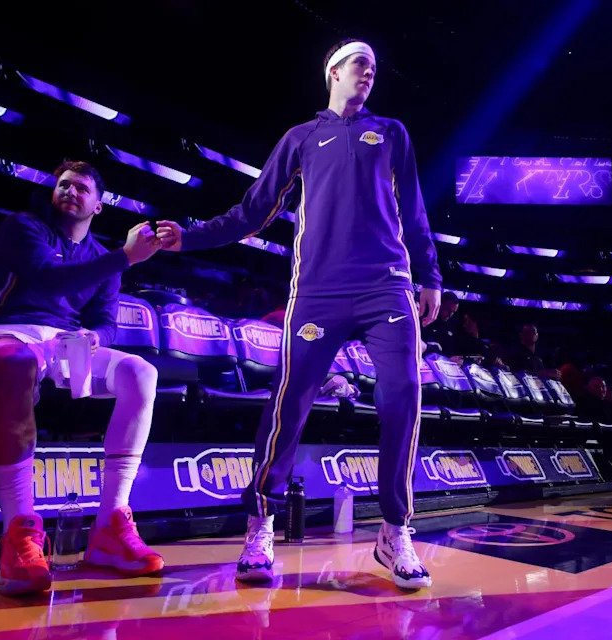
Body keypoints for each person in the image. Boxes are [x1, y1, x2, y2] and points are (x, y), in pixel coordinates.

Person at [156, 38, 441, 589]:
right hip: (318, 291)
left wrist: (430, 275)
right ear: (333, 70)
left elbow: (415, 209)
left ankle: (394, 529)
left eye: (375, 69)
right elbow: (252, 211)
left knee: (403, 391)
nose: (369, 74)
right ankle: (260, 523)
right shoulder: (303, 138)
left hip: (387, 287)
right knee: (290, 400)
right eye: (361, 65)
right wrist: (186, 239)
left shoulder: (393, 134)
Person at [0, 160, 164, 596]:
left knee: (142, 372)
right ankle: (19, 533)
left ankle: (111, 526)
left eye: (81, 187)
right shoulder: (25, 226)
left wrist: (95, 336)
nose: (69, 191)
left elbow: (106, 321)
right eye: (63, 184)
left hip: (65, 342)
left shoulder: (102, 257)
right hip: (7, 331)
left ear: (98, 205)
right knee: (17, 363)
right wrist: (126, 256)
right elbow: (47, 278)